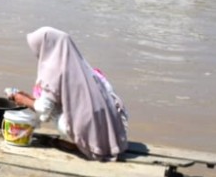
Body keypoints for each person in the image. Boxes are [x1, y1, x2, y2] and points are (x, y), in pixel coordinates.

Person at [9, 26, 129, 161]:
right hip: (110, 129)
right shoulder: (80, 64)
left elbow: (44, 108)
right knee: (52, 105)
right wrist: (31, 99)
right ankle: (89, 141)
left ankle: (82, 143)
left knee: (52, 114)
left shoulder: (53, 68)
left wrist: (21, 99)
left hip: (89, 126)